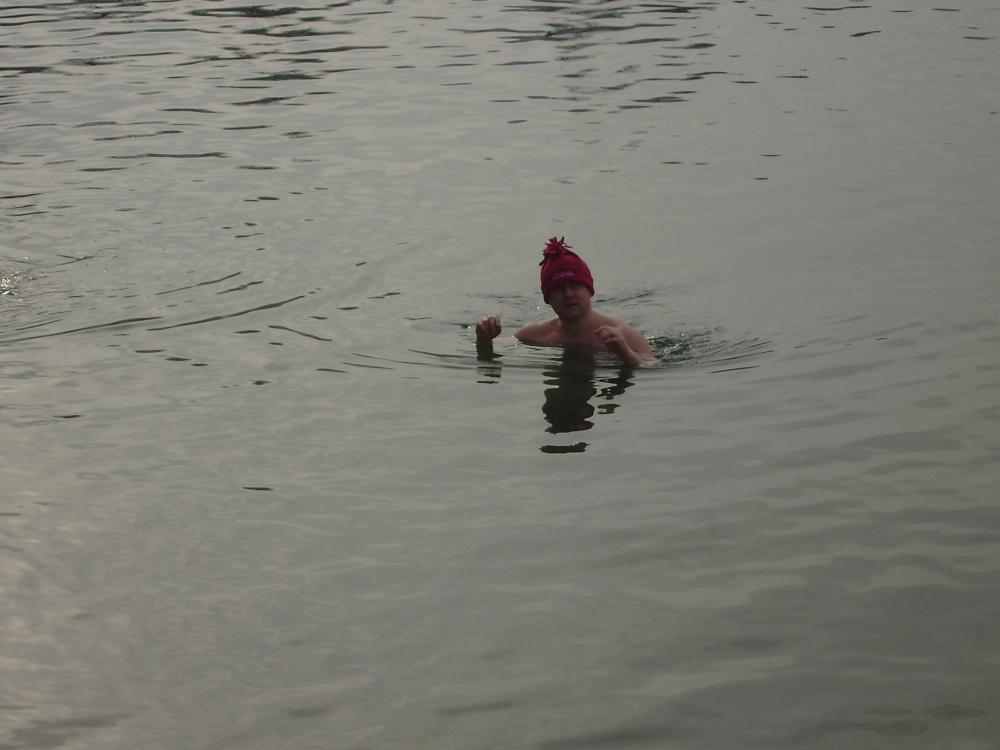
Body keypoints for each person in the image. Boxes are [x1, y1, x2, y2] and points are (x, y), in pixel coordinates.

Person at [476, 237, 654, 366]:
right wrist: (484, 338)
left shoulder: (622, 334)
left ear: (590, 290)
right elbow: (496, 346)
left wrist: (625, 352)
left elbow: (653, 366)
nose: (568, 294)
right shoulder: (537, 334)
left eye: (575, 286)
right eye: (559, 288)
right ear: (548, 298)